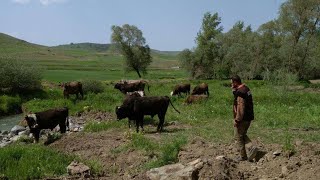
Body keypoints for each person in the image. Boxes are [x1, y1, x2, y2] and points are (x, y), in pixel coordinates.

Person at [231, 75, 257, 161]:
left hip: (242, 118)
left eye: (232, 82)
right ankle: (251, 148)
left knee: (238, 136)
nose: (231, 84)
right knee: (242, 135)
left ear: (235, 82)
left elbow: (240, 107)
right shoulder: (246, 89)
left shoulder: (240, 93)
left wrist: (237, 120)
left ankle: (243, 156)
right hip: (248, 117)